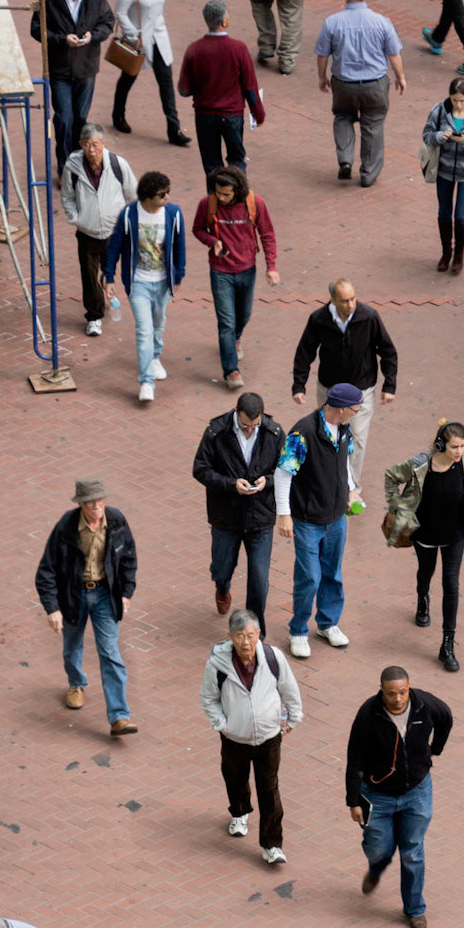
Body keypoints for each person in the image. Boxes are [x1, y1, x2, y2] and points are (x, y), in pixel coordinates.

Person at [345, 665, 454, 928]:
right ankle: (376, 868)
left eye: (402, 692)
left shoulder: (424, 705)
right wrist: (353, 800)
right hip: (377, 795)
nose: (398, 699)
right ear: (381, 691)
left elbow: (446, 718)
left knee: (412, 852)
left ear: (409, 688)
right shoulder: (368, 714)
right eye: (391, 693)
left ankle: (414, 909)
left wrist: (433, 750)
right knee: (378, 847)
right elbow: (354, 758)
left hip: (416, 791)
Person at [34, 475, 139, 736]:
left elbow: (128, 558)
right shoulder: (66, 527)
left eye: (100, 499)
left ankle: (119, 717)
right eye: (90, 502)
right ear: (81, 504)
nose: (96, 506)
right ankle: (76, 684)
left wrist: (125, 594)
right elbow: (46, 571)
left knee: (110, 653)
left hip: (105, 594)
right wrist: (52, 608)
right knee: (72, 647)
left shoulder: (116, 520)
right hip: (73, 595)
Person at [199, 605, 303, 863]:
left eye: (251, 635)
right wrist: (223, 724)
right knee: (235, 778)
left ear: (258, 634)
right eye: (240, 635)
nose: (246, 642)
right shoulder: (218, 665)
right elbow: (208, 698)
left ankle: (272, 845)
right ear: (230, 636)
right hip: (234, 737)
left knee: (269, 789)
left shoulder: (273, 658)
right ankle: (240, 812)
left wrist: (293, 718)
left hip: (269, 737)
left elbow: (289, 689)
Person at [290, 278, 399, 510]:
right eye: (345, 301)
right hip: (329, 389)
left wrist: (389, 385)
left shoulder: (368, 317)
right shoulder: (319, 319)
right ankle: (331, 480)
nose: (351, 305)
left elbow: (387, 350)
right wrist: (298, 385)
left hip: (361, 391)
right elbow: (305, 351)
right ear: (333, 300)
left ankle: (351, 491)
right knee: (329, 436)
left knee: (356, 438)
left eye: (353, 299)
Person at [383, 419, 464, 671]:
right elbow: (391, 476)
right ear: (440, 444)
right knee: (426, 572)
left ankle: (447, 643)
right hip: (425, 533)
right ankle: (422, 597)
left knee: (451, 584)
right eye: (454, 447)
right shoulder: (420, 465)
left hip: (455, 533)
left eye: (462, 446)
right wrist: (399, 508)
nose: (459, 452)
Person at [275, 384, 363, 655]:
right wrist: (284, 514)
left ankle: (327, 623)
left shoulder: (345, 429)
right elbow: (283, 474)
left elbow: (344, 465)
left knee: (332, 573)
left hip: (336, 517)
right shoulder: (304, 433)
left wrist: (349, 491)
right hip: (307, 520)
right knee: (309, 577)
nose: (357, 413)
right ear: (341, 408)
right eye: (355, 409)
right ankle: (299, 629)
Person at [192, 388, 284, 628]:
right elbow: (200, 469)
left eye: (254, 425)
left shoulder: (273, 433)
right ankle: (222, 588)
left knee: (259, 579)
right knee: (222, 568)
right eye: (244, 425)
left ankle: (255, 632)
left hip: (261, 516)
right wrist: (231, 485)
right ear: (236, 412)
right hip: (226, 516)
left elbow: (285, 470)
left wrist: (268, 481)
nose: (249, 430)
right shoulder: (216, 431)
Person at [191, 166, 280, 389]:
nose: (221, 198)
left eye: (227, 194)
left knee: (244, 314)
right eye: (218, 193)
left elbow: (267, 234)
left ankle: (235, 338)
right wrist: (212, 242)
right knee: (226, 323)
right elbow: (198, 229)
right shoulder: (207, 204)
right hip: (220, 271)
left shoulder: (254, 203)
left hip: (247, 269)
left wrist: (271, 266)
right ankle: (231, 371)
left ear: (237, 190)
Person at [103, 168, 186, 405]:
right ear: (148, 197)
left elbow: (179, 246)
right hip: (138, 282)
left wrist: (179, 276)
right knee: (144, 330)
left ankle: (155, 357)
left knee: (158, 324)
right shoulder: (129, 215)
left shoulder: (173, 213)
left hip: (162, 282)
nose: (167, 198)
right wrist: (109, 277)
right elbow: (115, 246)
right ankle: (146, 382)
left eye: (168, 193)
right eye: (162, 195)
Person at [315, 0, 406, 187]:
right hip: (375, 84)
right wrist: (400, 77)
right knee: (373, 125)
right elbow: (394, 54)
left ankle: (345, 158)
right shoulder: (382, 22)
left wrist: (322, 77)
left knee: (343, 117)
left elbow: (322, 55)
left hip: (344, 83)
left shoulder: (332, 22)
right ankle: (368, 174)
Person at [32, 0, 115, 171]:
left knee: (80, 117)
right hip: (60, 68)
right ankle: (64, 161)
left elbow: (107, 23)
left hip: (86, 67)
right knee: (64, 118)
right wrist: (61, 39)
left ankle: (79, 159)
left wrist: (92, 36)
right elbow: (36, 29)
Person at [60, 123, 136, 338]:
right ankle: (94, 317)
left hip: (114, 232)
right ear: (80, 145)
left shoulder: (118, 165)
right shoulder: (72, 168)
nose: (91, 150)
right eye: (86, 145)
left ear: (104, 143)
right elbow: (67, 196)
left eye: (95, 144)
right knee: (88, 274)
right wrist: (76, 218)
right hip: (87, 231)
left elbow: (134, 193)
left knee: (108, 269)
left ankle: (107, 284)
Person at [111, 0, 190, 146]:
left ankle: (174, 129)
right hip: (138, 41)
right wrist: (132, 34)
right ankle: (118, 115)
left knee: (166, 83)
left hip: (159, 38)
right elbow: (120, 12)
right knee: (128, 77)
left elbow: (157, 10)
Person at [177, 0, 265, 175]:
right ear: (224, 21)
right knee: (236, 160)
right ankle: (237, 197)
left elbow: (184, 89)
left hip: (204, 116)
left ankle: (213, 200)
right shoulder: (238, 48)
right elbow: (249, 86)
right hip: (232, 115)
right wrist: (258, 113)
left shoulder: (194, 49)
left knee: (212, 165)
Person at [422, 74, 464, 275]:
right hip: (443, 169)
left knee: (460, 216)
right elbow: (426, 135)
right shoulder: (439, 110)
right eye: (454, 100)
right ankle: (446, 252)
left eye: (462, 101)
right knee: (444, 213)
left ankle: (459, 253)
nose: (458, 105)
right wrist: (439, 136)